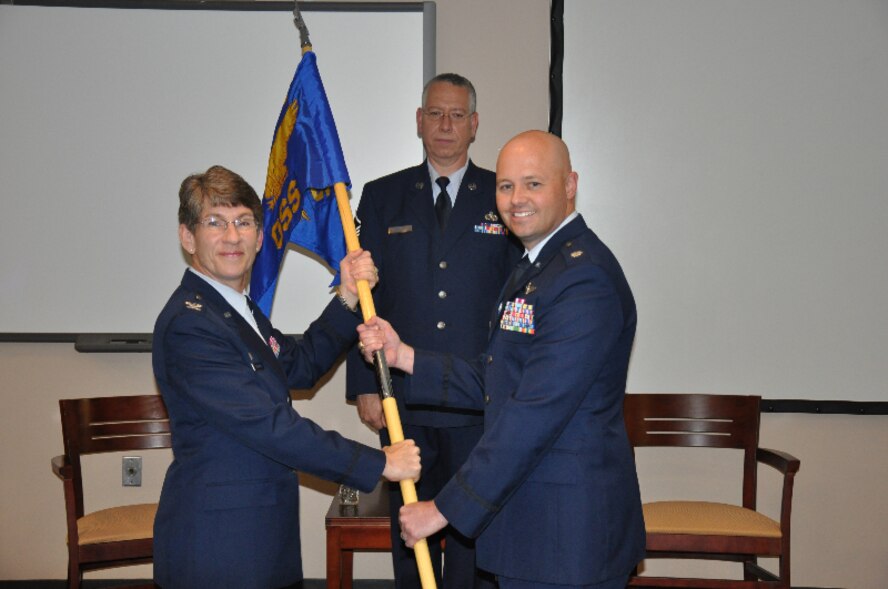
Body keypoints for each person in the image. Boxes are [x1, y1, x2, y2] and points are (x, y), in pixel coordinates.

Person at [358, 131, 646, 588]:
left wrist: (443, 507)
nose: (516, 199)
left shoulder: (582, 279)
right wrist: (405, 356)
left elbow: (534, 413)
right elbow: (499, 377)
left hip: (566, 534)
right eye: (506, 186)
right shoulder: (536, 267)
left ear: (569, 185)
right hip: (531, 526)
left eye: (533, 184)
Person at [152, 165, 421, 589]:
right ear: (188, 238)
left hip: (258, 535)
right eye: (215, 223)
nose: (232, 236)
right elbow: (272, 427)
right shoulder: (192, 324)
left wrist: (348, 295)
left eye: (243, 222)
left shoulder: (236, 310)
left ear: (260, 238)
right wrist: (378, 462)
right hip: (219, 548)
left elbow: (298, 365)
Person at [345, 74, 521, 588]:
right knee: (411, 528)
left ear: (474, 125)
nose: (446, 125)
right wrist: (363, 384)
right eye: (436, 114)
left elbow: (519, 295)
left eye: (457, 115)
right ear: (419, 121)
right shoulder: (382, 197)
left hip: (476, 395)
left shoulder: (502, 196)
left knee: (470, 524)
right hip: (402, 396)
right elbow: (362, 292)